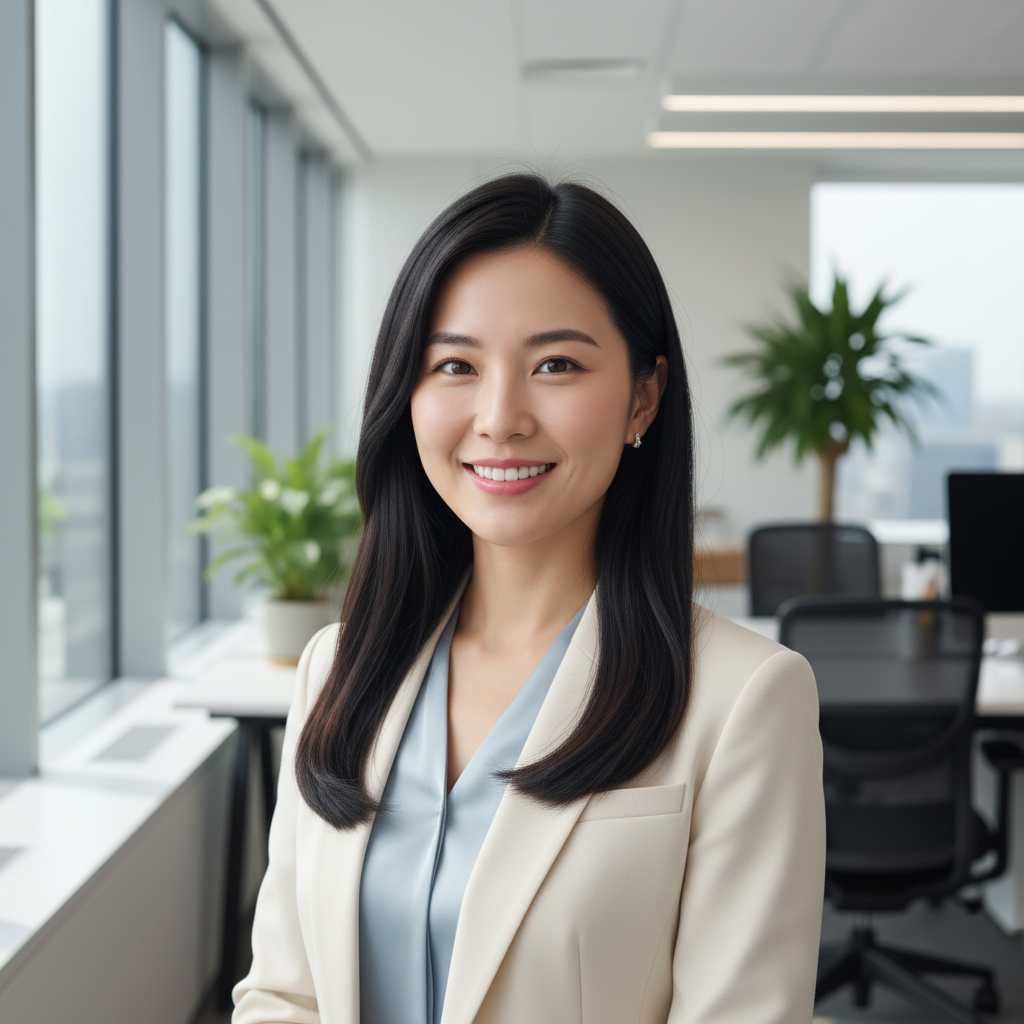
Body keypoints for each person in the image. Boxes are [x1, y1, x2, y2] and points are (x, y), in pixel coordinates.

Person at [233, 174, 825, 1024]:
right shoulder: (339, 668)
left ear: (643, 398)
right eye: (455, 366)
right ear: (408, 394)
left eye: (556, 364)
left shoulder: (744, 698)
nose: (500, 416)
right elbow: (284, 992)